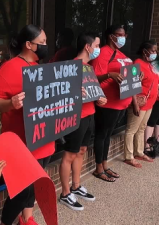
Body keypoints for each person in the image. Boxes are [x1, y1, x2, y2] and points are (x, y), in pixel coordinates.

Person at [0, 24, 54, 225]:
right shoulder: (9, 68)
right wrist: (12, 103)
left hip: (43, 139)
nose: (46, 45)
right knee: (21, 190)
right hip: (22, 143)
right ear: (29, 44)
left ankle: (27, 218)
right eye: (42, 42)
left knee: (35, 185)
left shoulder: (41, 69)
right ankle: (7, 222)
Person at [59, 32, 107, 211]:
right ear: (87, 47)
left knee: (82, 150)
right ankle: (65, 194)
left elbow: (93, 90)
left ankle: (75, 186)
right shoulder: (70, 67)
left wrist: (100, 98)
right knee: (69, 155)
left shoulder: (88, 67)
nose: (98, 49)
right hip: (75, 117)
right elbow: (61, 94)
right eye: (96, 46)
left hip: (89, 115)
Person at [90, 25, 133, 182]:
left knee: (108, 135)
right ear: (110, 36)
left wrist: (137, 75)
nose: (123, 37)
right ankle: (98, 168)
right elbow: (93, 78)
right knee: (102, 135)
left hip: (121, 103)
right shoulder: (102, 53)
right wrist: (110, 75)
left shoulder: (122, 54)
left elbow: (129, 75)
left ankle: (105, 165)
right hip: (108, 103)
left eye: (124, 35)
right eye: (119, 34)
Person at [123, 40, 158, 167]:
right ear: (145, 51)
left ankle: (138, 152)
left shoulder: (150, 65)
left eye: (156, 51)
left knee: (141, 128)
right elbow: (131, 85)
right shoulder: (137, 63)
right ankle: (129, 156)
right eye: (153, 50)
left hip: (150, 103)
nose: (155, 53)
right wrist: (135, 104)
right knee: (131, 129)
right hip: (140, 102)